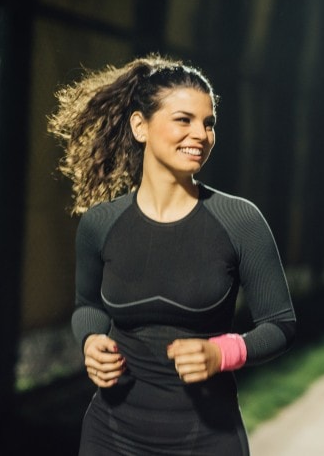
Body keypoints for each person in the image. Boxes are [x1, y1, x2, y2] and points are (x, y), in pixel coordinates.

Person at [48, 54, 296, 455]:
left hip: (206, 437)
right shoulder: (101, 224)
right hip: (111, 436)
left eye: (209, 123)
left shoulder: (240, 221)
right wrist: (91, 339)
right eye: (184, 119)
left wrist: (222, 352)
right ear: (140, 126)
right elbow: (87, 305)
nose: (201, 133)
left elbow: (280, 325)